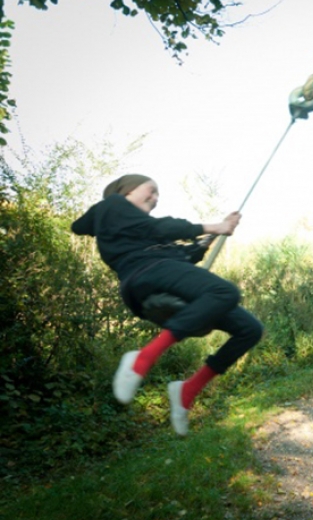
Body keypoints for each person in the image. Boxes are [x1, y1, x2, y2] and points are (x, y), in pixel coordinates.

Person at [71, 174, 263, 436]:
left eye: (158, 195)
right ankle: (143, 357)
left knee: (250, 329)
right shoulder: (113, 206)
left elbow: (178, 252)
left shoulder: (135, 227)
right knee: (223, 291)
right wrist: (214, 226)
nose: (155, 198)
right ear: (126, 191)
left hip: (161, 272)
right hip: (146, 272)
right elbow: (161, 228)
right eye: (150, 191)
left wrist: (205, 243)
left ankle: (188, 391)